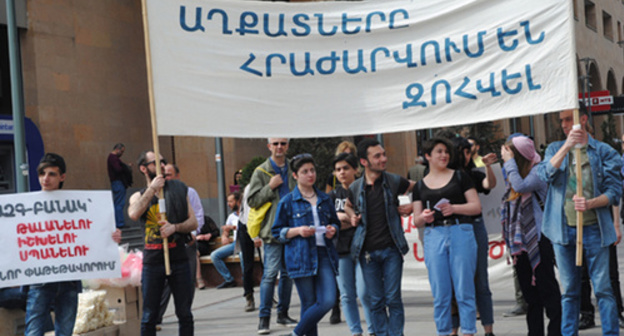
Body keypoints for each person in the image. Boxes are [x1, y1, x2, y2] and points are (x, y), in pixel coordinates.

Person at [536, 107, 622, 336]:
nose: (564, 124)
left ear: (582, 119)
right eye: (561, 120)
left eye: (568, 119)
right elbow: (544, 175)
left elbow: (615, 191)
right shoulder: (554, 149)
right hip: (562, 230)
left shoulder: (604, 151)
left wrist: (591, 203)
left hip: (595, 229)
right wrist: (566, 147)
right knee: (570, 291)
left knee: (603, 289)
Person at [26, 153, 122, 336]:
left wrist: (112, 236)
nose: (45, 179)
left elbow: (93, 233)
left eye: (52, 174)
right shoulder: (26, 206)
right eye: (42, 173)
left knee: (66, 331)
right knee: (33, 331)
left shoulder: (78, 206)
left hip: (69, 279)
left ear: (62, 177)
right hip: (40, 279)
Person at [412, 138, 480, 336]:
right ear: (428, 156)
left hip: (461, 230)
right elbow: (416, 220)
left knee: (464, 289)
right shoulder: (419, 186)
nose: (444, 155)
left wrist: (454, 208)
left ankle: (468, 331)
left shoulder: (460, 177)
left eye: (446, 152)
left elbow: (476, 206)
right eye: (439, 152)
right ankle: (444, 331)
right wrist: (424, 217)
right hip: (434, 234)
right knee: (440, 292)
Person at [348, 138, 414, 336]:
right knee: (375, 301)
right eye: (377, 156)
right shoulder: (355, 187)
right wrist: (351, 217)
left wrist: (413, 206)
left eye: (384, 154)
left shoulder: (394, 181)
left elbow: (420, 187)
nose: (383, 159)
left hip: (392, 249)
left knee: (393, 298)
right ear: (364, 162)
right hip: (367, 252)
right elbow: (348, 205)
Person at [128, 151, 198, 336]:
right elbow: (134, 213)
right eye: (155, 163)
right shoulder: (139, 195)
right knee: (149, 315)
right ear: (144, 168)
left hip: (178, 259)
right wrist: (152, 189)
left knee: (184, 312)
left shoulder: (179, 188)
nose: (162, 166)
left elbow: (194, 222)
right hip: (153, 261)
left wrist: (175, 228)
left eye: (163, 161)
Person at [272, 153, 339, 336]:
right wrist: (298, 231)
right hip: (300, 255)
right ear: (295, 175)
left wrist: (333, 228)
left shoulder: (325, 199)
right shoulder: (288, 201)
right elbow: (277, 232)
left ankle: (295, 333)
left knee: (328, 300)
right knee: (308, 303)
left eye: (312, 170)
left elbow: (335, 222)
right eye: (304, 172)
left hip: (324, 253)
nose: (310, 174)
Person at [500, 135, 562, 336]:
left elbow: (521, 186)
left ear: (517, 156)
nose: (506, 158)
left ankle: (556, 331)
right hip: (521, 242)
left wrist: (509, 163)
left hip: (540, 238)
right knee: (530, 294)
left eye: (510, 154)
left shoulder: (538, 169)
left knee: (547, 289)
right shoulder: (515, 172)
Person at [247, 138, 297, 334]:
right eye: (275, 143)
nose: (279, 147)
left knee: (287, 275)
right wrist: (270, 187)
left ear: (287, 145)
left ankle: (283, 314)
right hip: (272, 231)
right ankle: (264, 318)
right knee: (269, 275)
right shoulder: (261, 171)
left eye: (283, 143)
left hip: (292, 230)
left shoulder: (295, 167)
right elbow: (252, 201)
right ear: (269, 146)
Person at [449, 136, 497, 336]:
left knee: (481, 281)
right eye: (465, 152)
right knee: (454, 284)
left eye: (470, 152)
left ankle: (488, 329)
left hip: (474, 226)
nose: (468, 156)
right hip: (452, 228)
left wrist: (487, 167)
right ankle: (453, 330)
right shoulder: (444, 176)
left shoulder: (471, 175)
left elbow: (489, 184)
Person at [155, 163, 206, 329]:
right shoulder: (158, 193)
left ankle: (184, 313)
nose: (166, 177)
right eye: (164, 174)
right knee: (164, 283)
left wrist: (192, 233)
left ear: (177, 176)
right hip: (165, 244)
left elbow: (197, 215)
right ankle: (157, 316)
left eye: (169, 174)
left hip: (185, 241)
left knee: (187, 280)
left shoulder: (187, 192)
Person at [331, 153, 374, 336]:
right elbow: (332, 221)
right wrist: (346, 218)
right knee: (347, 295)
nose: (342, 172)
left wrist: (344, 217)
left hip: (363, 247)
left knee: (365, 292)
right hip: (340, 249)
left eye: (346, 168)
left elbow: (366, 218)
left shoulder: (365, 190)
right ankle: (355, 331)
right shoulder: (332, 195)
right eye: (338, 169)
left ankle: (374, 330)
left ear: (356, 170)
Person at [238, 184, 264, 312]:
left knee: (267, 264)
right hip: (247, 225)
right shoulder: (251, 187)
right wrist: (255, 237)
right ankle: (249, 296)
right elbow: (249, 213)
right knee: (248, 264)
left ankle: (268, 296)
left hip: (261, 225)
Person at [210, 192, 242, 289]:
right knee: (215, 255)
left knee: (242, 255)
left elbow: (249, 228)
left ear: (238, 201)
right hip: (235, 244)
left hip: (245, 242)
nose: (229, 204)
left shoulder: (246, 214)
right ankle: (229, 279)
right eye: (228, 202)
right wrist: (224, 236)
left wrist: (233, 227)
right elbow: (226, 230)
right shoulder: (231, 217)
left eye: (231, 201)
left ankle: (247, 278)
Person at [108, 143, 132, 228]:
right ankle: (119, 223)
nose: (122, 153)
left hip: (117, 182)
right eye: (121, 151)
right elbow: (118, 169)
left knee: (118, 202)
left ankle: (119, 222)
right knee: (119, 203)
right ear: (117, 149)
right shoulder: (113, 158)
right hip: (118, 182)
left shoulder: (113, 158)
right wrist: (125, 167)